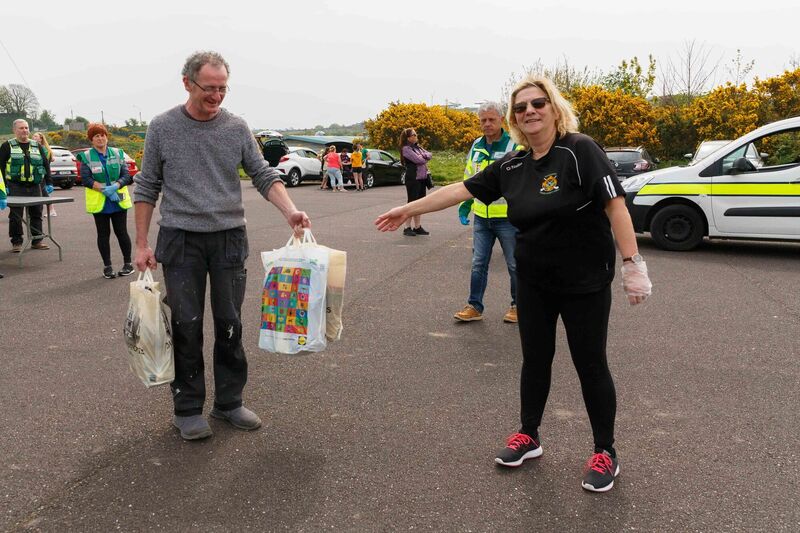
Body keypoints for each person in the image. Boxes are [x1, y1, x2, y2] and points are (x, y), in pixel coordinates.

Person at [376, 75, 652, 493]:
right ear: (514, 119)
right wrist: (406, 208)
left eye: (538, 103)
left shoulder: (580, 150)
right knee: (535, 360)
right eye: (521, 107)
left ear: (554, 108)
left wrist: (633, 264)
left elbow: (615, 205)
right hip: (535, 283)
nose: (530, 112)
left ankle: (605, 451)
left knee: (589, 363)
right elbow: (457, 190)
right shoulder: (513, 165)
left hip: (584, 282)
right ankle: (530, 436)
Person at [133, 50, 311, 441]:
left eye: (223, 88)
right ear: (187, 83)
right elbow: (146, 185)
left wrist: (291, 211)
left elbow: (263, 173)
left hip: (229, 238)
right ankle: (187, 407)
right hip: (180, 240)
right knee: (186, 323)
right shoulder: (162, 127)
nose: (216, 96)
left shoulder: (236, 127)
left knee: (230, 322)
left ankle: (229, 402)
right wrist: (142, 243)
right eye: (208, 88)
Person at [454, 102, 523, 324]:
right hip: (482, 217)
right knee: (478, 262)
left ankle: (518, 306)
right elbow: (469, 177)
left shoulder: (515, 144)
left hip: (508, 218)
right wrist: (465, 204)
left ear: (501, 119)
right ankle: (474, 306)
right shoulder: (476, 145)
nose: (487, 124)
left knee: (514, 264)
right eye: (483, 120)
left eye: (491, 119)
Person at [77, 123, 135, 279]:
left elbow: (126, 175)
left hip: (119, 200)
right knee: (103, 235)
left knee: (122, 232)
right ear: (91, 140)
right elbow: (86, 179)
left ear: (107, 137)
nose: (100, 138)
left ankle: (128, 264)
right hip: (100, 202)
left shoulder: (118, 153)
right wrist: (105, 191)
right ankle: (107, 267)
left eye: (102, 135)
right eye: (96, 136)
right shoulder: (87, 157)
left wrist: (115, 186)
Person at [0, 119, 52, 252]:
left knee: (36, 213)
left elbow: (46, 164)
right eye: (21, 128)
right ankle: (16, 242)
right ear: (14, 130)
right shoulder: (7, 146)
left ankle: (37, 241)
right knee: (16, 216)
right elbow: (0, 167)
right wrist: (4, 186)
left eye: (26, 128)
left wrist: (49, 182)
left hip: (35, 186)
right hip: (15, 186)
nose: (24, 130)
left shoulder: (36, 145)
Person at [399, 128, 432, 236]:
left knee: (420, 203)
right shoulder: (406, 149)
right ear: (408, 137)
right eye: (414, 135)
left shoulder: (417, 147)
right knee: (412, 203)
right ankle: (407, 227)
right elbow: (419, 160)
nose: (416, 136)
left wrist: (423, 156)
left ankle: (417, 226)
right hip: (413, 178)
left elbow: (429, 154)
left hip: (422, 178)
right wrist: (424, 157)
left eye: (416, 134)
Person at [32, 132, 56, 217]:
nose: (33, 137)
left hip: (41, 174)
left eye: (35, 136)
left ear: (40, 139)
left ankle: (51, 210)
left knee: (43, 192)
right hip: (38, 174)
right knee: (42, 192)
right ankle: (50, 210)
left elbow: (44, 163)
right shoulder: (35, 147)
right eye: (33, 136)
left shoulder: (43, 149)